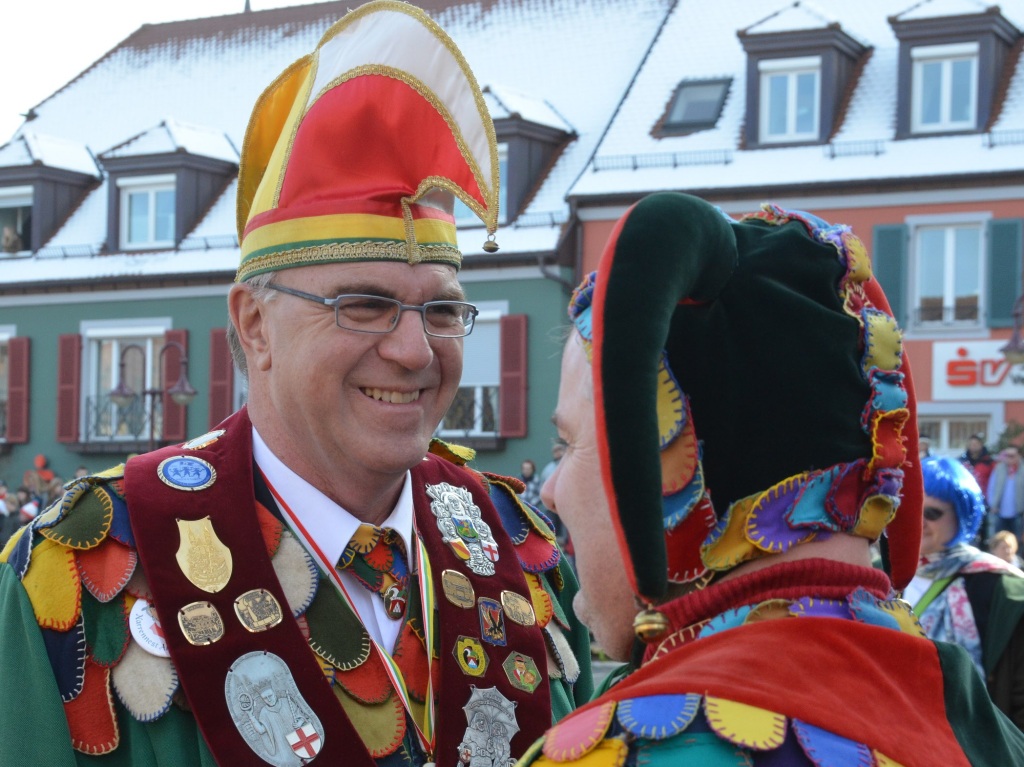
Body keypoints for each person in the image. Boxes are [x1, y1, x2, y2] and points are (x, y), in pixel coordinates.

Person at [0, 4, 590, 765]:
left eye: (441, 309)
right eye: (364, 304)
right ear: (253, 324)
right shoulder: (80, 575)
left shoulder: (521, 547)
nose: (415, 350)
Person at [522, 193, 1024, 765]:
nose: (552, 490)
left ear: (666, 477)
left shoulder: (614, 750)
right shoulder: (982, 726)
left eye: (568, 444)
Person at [906, 457, 1024, 729]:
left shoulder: (1001, 587)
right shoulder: (877, 575)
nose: (918, 520)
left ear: (961, 515)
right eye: (911, 507)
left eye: (933, 513)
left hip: (968, 742)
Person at [988, 445, 1024, 539]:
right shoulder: (999, 468)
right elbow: (991, 487)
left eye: (1012, 455)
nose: (1009, 458)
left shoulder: (1022, 469)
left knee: (1017, 540)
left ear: (1018, 456)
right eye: (1007, 455)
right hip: (999, 512)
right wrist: (993, 504)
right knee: (998, 539)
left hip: (1018, 513)